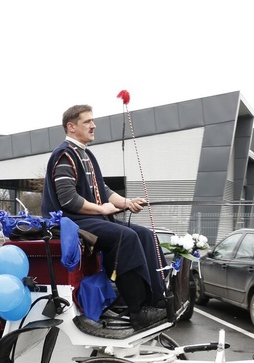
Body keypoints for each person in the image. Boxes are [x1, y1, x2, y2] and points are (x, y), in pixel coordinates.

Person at [41, 104, 167, 330]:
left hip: (90, 219)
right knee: (125, 237)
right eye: (87, 121)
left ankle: (156, 299)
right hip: (71, 222)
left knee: (146, 234)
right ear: (71, 127)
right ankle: (138, 311)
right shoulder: (64, 155)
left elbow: (103, 189)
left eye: (92, 120)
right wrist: (103, 210)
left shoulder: (85, 154)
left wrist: (127, 203)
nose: (93, 125)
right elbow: (69, 201)